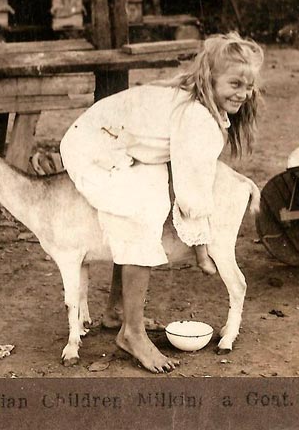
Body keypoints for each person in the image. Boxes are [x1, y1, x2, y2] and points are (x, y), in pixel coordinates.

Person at [58, 32, 263, 372]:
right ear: (209, 78)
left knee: (149, 195)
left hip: (109, 142)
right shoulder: (196, 115)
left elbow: (186, 171)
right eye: (235, 84)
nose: (243, 94)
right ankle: (132, 334)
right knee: (142, 215)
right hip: (93, 150)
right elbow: (190, 186)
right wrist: (201, 247)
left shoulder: (196, 103)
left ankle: (117, 310)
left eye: (249, 86)